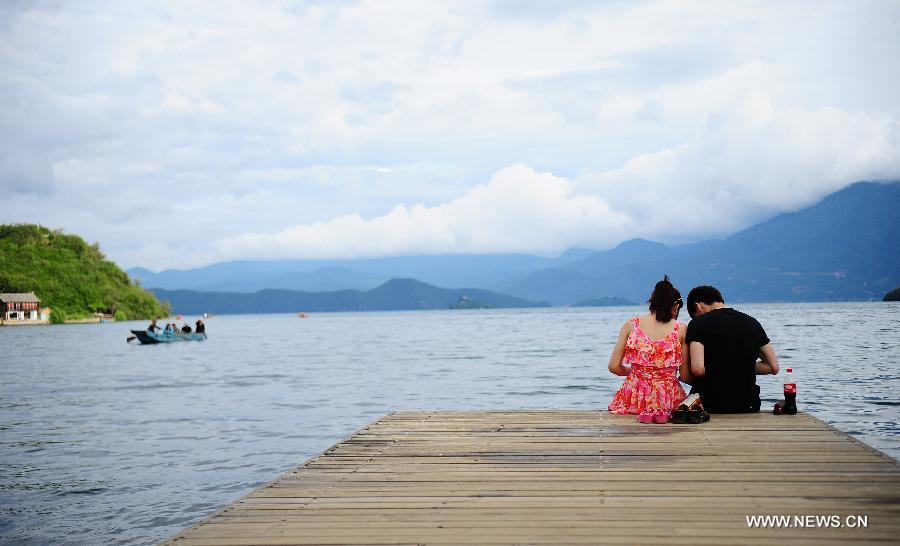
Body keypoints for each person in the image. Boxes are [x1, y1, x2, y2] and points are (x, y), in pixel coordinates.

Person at [682, 285, 779, 413]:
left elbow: (698, 369)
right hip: (748, 404)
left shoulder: (698, 324)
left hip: (710, 404)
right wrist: (739, 365)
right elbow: (773, 367)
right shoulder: (752, 323)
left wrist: (721, 367)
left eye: (695, 315)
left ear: (698, 306)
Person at [608, 276, 689, 422]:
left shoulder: (631, 325)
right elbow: (684, 374)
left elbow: (613, 366)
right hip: (667, 400)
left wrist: (637, 373)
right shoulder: (681, 329)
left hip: (633, 399)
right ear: (675, 306)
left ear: (652, 302)